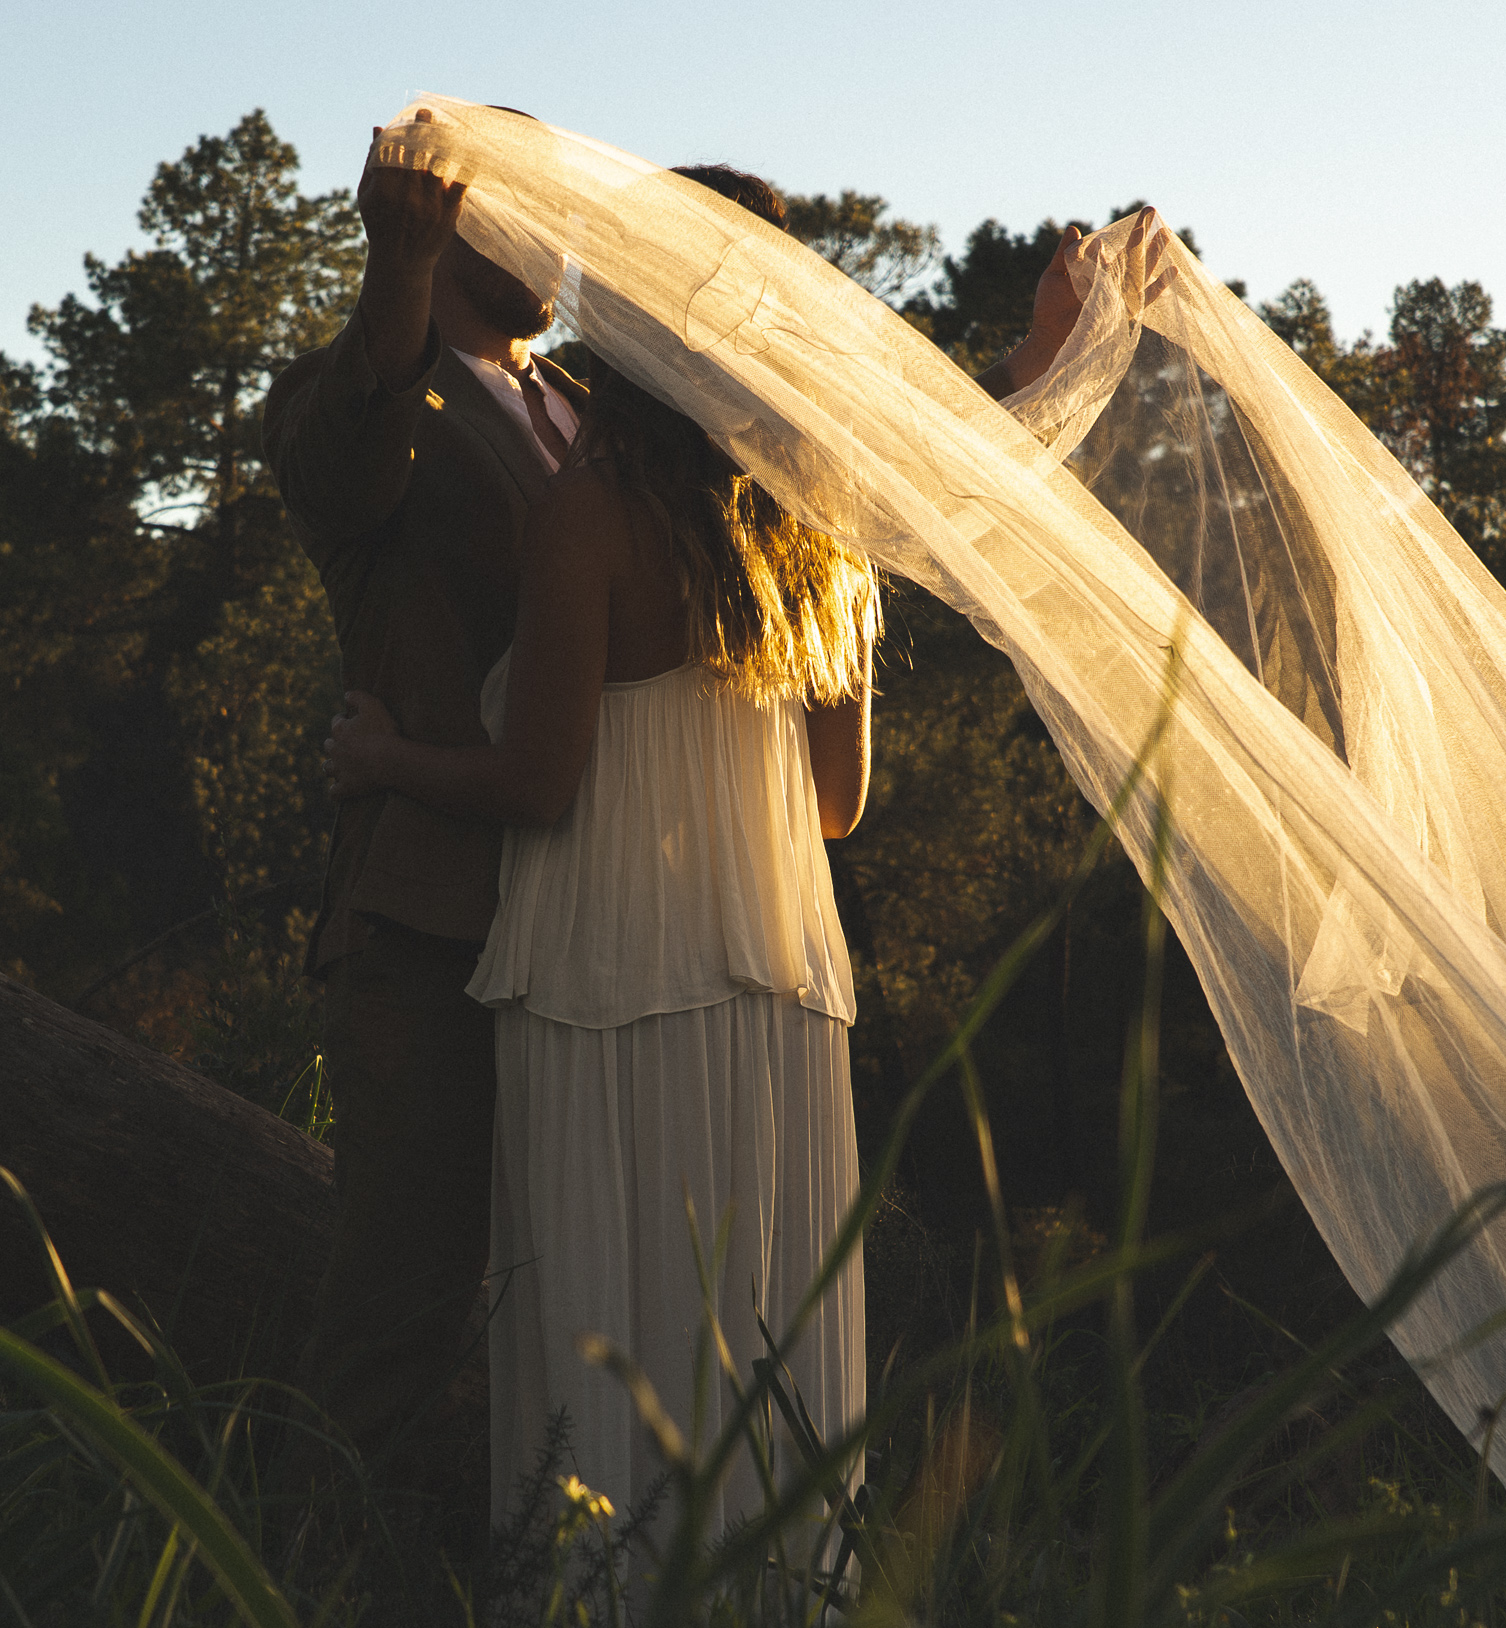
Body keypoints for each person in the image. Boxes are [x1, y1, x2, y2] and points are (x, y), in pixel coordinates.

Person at [320, 164, 1098, 1543]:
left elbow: (539, 780)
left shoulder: (589, 510)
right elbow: (838, 802)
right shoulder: (818, 520)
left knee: (606, 1315)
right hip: (773, 983)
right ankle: (770, 1613)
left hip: (601, 973)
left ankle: (602, 1613)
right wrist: (1039, 362)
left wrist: (386, 763)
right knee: (757, 1321)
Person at [260, 108, 585, 1523]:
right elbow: (347, 457)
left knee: (580, 1287)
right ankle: (296, 1592)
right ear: (451, 226)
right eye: (528, 214)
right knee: (399, 1297)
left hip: (593, 909)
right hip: (430, 917)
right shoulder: (352, 397)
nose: (562, 245)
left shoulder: (583, 409)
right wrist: (393, 270)